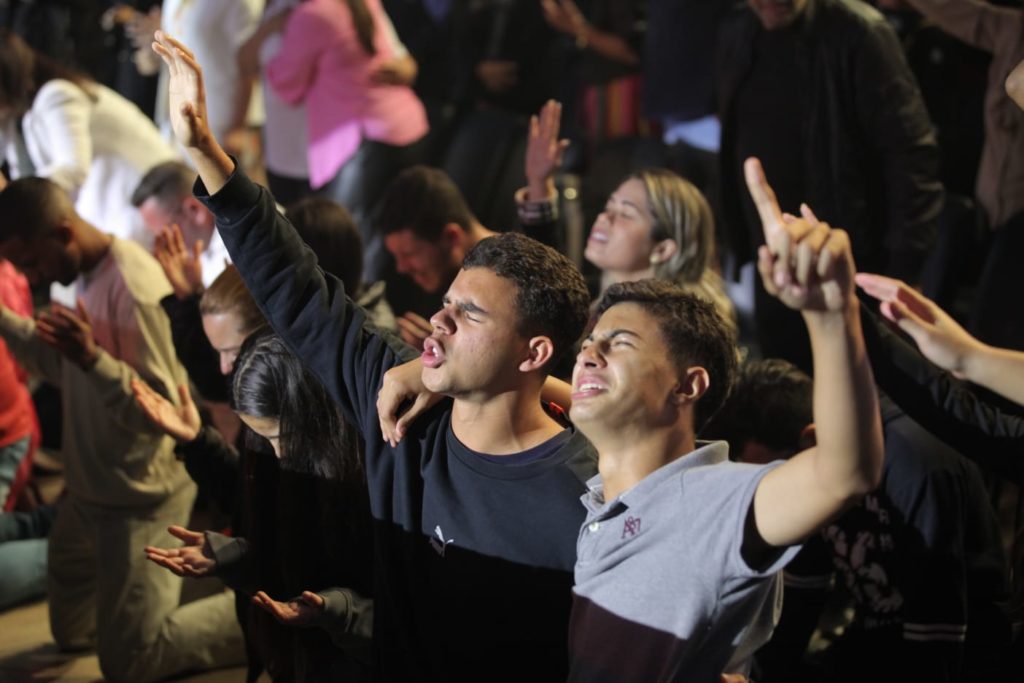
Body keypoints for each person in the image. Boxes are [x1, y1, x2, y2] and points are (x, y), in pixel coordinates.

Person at [153, 30, 596, 681]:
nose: (440, 319)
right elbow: (299, 291)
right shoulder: (400, 414)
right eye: (447, 301)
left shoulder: (584, 493)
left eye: (470, 313)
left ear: (534, 352)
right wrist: (209, 158)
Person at [562, 157, 884, 680]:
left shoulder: (710, 500)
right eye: (589, 343)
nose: (587, 356)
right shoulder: (604, 501)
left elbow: (844, 473)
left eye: (618, 343)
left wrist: (831, 313)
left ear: (688, 386)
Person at [0, 177, 243, 682]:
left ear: (63, 233)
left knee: (130, 661)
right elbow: (62, 364)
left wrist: (92, 358)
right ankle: (158, 592)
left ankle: (257, 608)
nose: (30, 276)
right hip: (91, 493)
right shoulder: (80, 276)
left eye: (31, 262)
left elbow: (157, 411)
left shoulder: (133, 285)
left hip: (140, 497)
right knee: (74, 630)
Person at [703, 358, 1012, 681]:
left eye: (773, 471)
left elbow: (937, 623)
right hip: (876, 637)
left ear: (810, 438)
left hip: (960, 651)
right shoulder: (812, 462)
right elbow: (804, 592)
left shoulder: (915, 461)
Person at [716, 0, 943, 371]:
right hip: (772, 257)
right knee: (785, 388)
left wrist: (904, 271)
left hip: (851, 262)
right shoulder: (737, 28)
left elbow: (910, 154)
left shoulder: (861, 32)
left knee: (851, 388)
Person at [138, 331, 376, 681]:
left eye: (229, 351)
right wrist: (234, 555)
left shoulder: (368, 478)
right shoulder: (273, 450)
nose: (277, 454)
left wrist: (340, 611)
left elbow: (398, 623)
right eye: (263, 439)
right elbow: (280, 546)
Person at [520, 100, 735, 326]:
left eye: (626, 213)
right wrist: (539, 182)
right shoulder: (591, 303)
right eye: (609, 206)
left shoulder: (667, 332)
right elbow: (545, 272)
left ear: (663, 249)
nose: (604, 218)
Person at [258, 0, 428, 282]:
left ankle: (362, 320)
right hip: (405, 128)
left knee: (351, 243)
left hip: (368, 142)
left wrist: (266, 41)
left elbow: (286, 84)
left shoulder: (312, 15)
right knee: (389, 236)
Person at [0, 28, 176, 249]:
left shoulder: (57, 95)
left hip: (144, 204)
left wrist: (14, 205)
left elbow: (73, 168)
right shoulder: (15, 120)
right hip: (119, 209)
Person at [377, 165, 496, 344]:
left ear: (451, 236)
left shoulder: (510, 278)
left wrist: (441, 353)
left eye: (409, 254)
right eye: (396, 256)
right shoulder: (436, 277)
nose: (401, 268)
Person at [131, 160, 231, 288]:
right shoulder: (200, 259)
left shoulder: (241, 250)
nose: (165, 247)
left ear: (194, 210)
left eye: (166, 233)